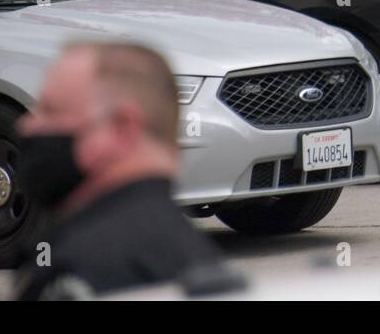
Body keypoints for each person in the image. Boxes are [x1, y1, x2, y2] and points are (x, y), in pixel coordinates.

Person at [13, 42, 226, 300]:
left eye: (51, 110)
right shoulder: (194, 254)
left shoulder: (81, 269)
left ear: (122, 128)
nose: (26, 125)